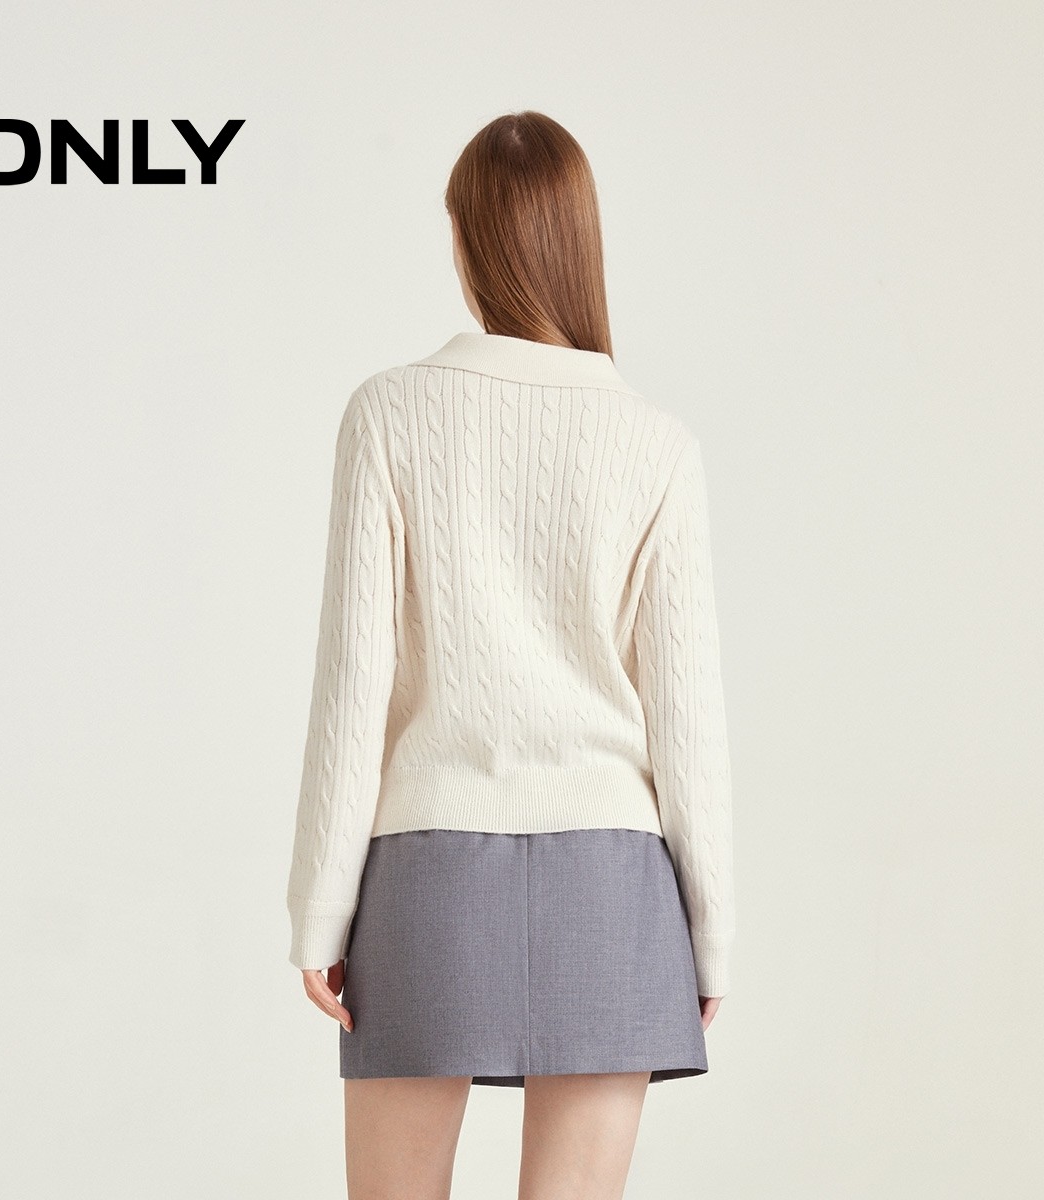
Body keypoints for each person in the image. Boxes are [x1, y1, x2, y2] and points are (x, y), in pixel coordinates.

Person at [285, 110, 735, 1200]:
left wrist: (320, 911)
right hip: (614, 886)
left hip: (425, 881)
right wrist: (712, 936)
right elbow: (688, 717)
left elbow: (353, 686)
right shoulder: (657, 443)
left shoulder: (388, 414)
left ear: (463, 237)